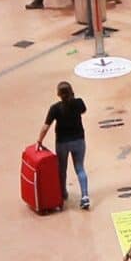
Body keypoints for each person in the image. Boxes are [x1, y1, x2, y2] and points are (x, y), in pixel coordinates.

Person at [38, 80, 91, 209]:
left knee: (62, 169)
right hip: (78, 140)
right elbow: (83, 111)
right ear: (71, 91)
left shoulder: (55, 108)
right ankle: (84, 196)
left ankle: (62, 194)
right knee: (79, 168)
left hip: (62, 143)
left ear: (58, 94)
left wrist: (39, 141)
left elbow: (46, 127)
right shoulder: (79, 103)